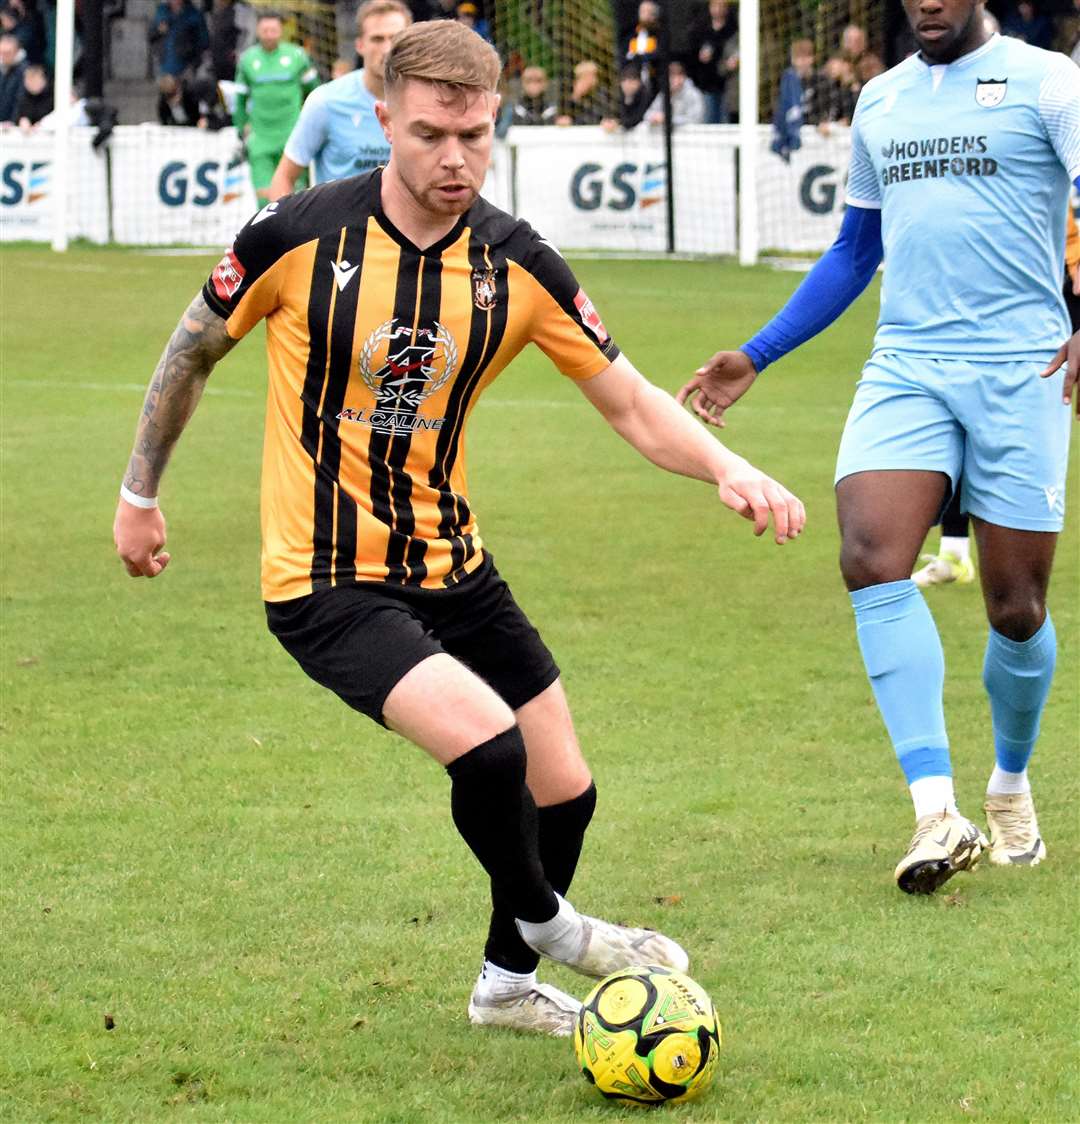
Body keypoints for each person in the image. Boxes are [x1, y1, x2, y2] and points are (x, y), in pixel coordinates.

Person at [113, 19, 804, 1036]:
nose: (456, 157)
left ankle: (505, 984)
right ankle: (553, 929)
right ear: (383, 116)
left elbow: (631, 402)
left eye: (476, 134)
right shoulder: (293, 235)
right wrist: (139, 493)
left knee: (564, 786)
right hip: (323, 574)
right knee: (488, 752)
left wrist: (727, 464)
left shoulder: (518, 264)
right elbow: (191, 352)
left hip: (452, 561)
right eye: (433, 132)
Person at [678, 0, 1079, 895]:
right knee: (870, 556)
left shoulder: (1050, 83)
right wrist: (757, 353)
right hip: (907, 365)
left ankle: (1009, 785)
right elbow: (856, 249)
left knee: (1016, 610)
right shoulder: (881, 101)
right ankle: (936, 811)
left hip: (1023, 369)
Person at [268, 0, 409, 201]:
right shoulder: (326, 101)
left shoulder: (427, 102)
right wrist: (290, 231)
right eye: (377, 39)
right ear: (360, 45)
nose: (387, 48)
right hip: (339, 231)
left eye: (395, 38)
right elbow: (283, 178)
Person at [233, 10, 320, 202]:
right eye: (265, 29)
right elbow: (238, 99)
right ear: (258, 31)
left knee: (295, 200)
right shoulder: (247, 59)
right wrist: (241, 127)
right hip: (260, 138)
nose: (269, 33)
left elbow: (316, 93)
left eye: (273, 29)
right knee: (264, 199)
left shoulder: (297, 56)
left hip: (292, 136)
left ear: (280, 31)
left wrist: (310, 124)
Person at [771, 38, 820, 161]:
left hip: (814, 136)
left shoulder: (820, 80)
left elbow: (823, 105)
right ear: (793, 59)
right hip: (795, 133)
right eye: (799, 58)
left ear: (813, 58)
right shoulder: (787, 81)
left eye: (806, 57)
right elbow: (781, 108)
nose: (803, 62)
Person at [689, 0, 738, 123]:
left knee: (725, 122)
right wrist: (700, 56)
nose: (718, 9)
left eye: (722, 6)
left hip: (727, 84)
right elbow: (692, 53)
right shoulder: (702, 29)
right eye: (715, 5)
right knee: (709, 119)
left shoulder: (732, 29)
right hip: (707, 83)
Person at [150, 0, 208, 78]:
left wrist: (193, 64)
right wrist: (158, 31)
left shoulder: (194, 15)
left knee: (187, 89)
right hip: (163, 68)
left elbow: (204, 42)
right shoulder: (161, 13)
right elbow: (151, 36)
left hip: (186, 69)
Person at [644, 59, 705, 127]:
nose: (674, 80)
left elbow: (695, 119)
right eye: (671, 76)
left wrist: (668, 119)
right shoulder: (663, 94)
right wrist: (654, 117)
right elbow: (648, 113)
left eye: (677, 75)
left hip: (691, 135)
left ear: (683, 77)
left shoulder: (693, 94)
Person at [555, 59, 613, 126]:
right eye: (588, 76)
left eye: (594, 75)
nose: (593, 79)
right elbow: (561, 113)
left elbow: (600, 115)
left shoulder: (602, 93)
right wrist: (576, 96)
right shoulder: (567, 91)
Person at [0, 31, 26, 124]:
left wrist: (13, 121)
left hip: (13, 125)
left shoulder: (25, 71)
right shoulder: (2, 68)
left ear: (17, 51)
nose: (3, 56)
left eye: (7, 53)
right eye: (1, 52)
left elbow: (20, 101)